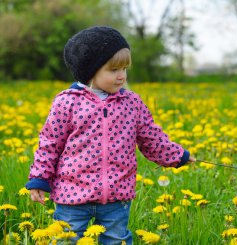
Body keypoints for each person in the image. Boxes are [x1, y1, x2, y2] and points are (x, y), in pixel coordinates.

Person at [25, 26, 196, 244]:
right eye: (114, 70)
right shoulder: (67, 101)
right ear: (90, 70)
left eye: (125, 69)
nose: (121, 76)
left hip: (117, 194)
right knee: (65, 240)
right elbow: (50, 143)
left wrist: (177, 155)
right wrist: (40, 179)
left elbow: (151, 137)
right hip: (72, 194)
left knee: (117, 240)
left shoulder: (132, 102)